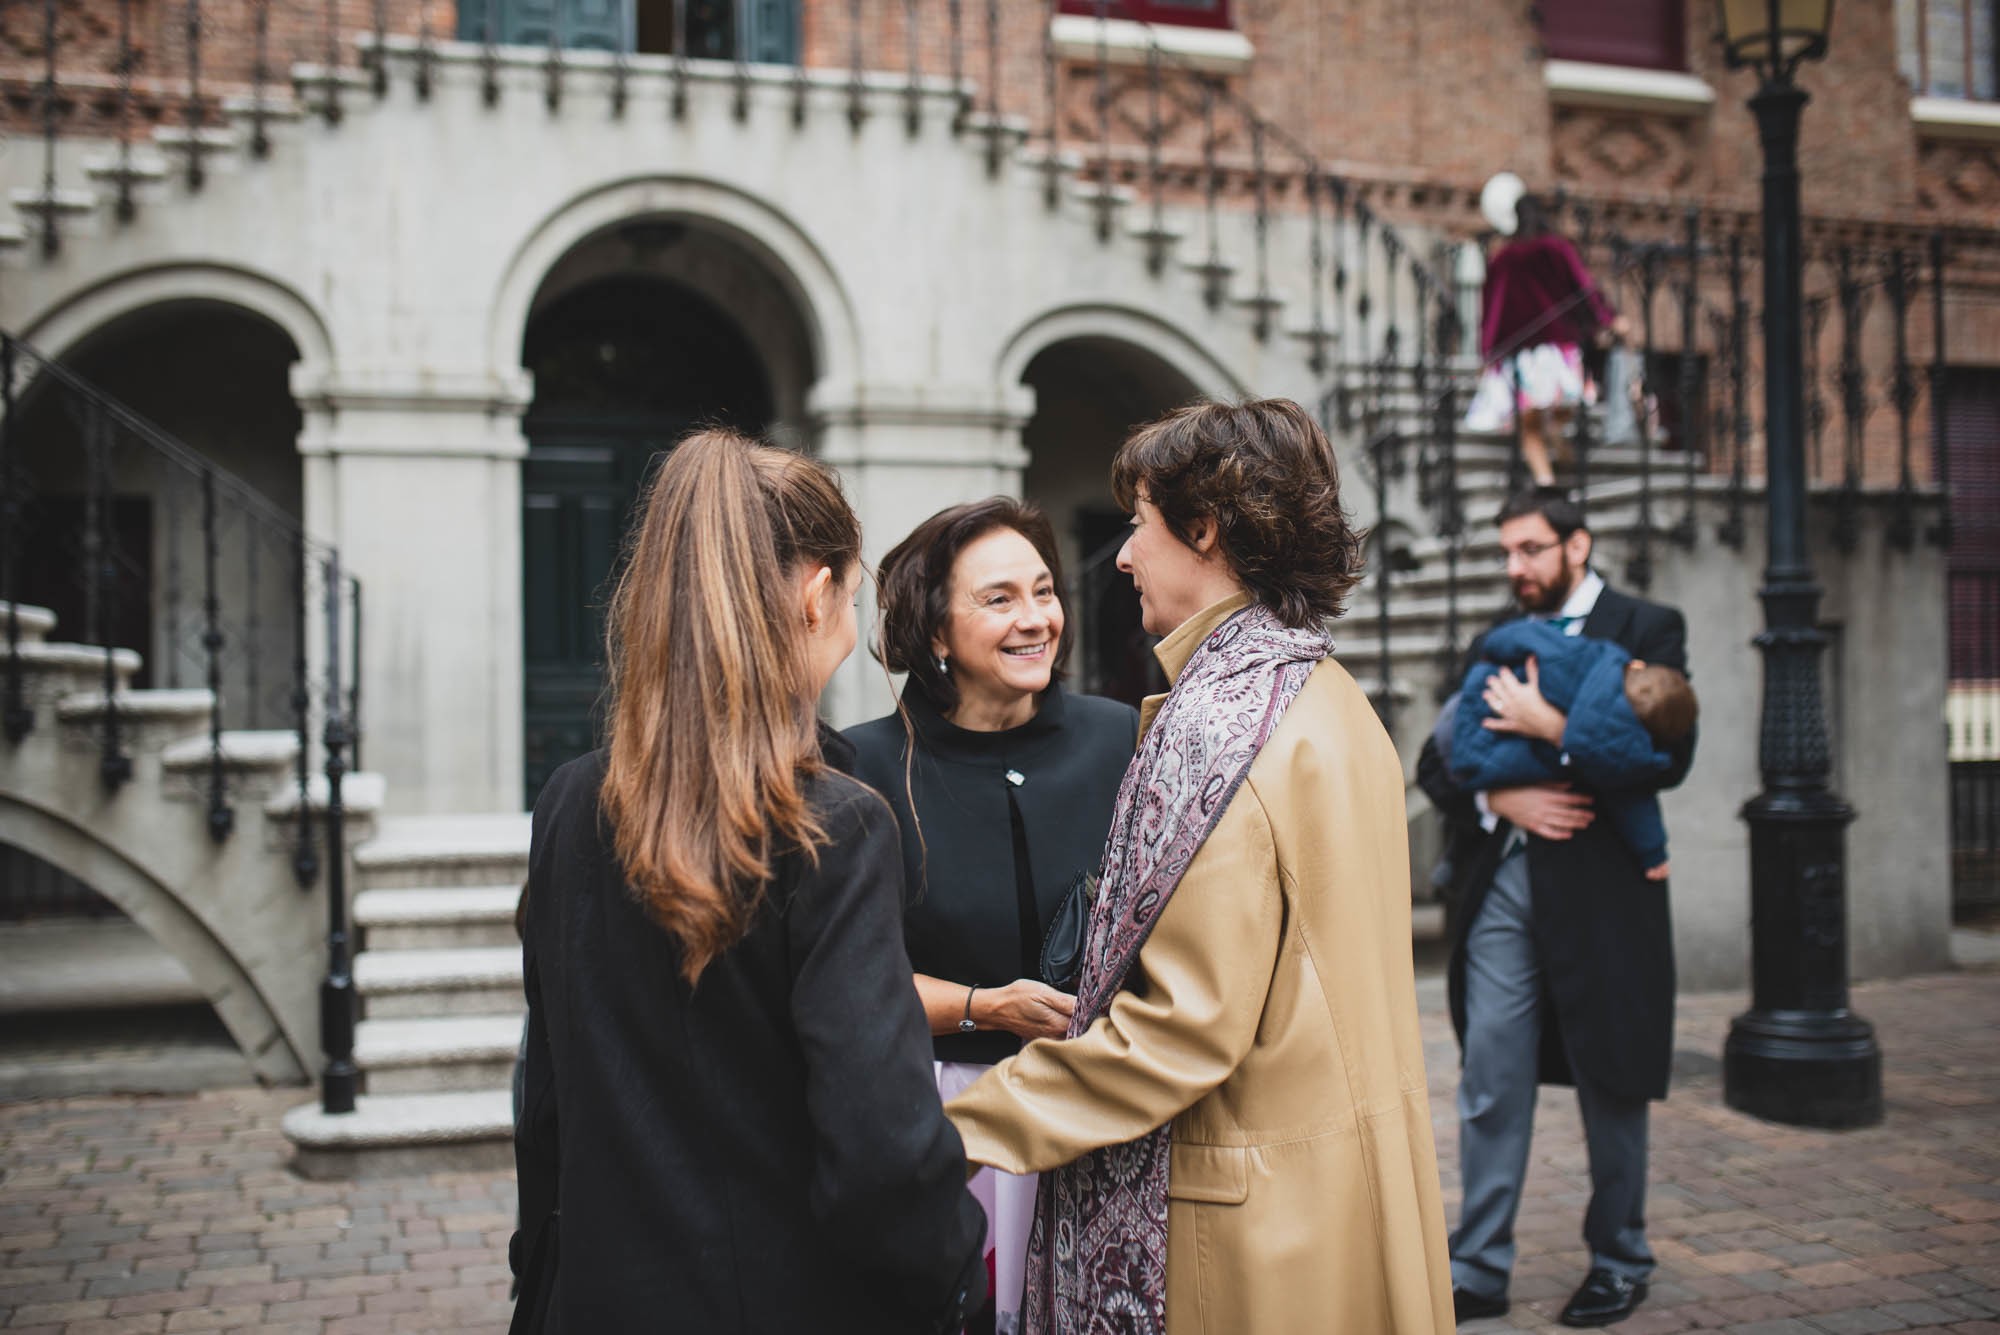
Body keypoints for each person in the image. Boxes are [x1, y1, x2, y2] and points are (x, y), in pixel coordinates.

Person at [945, 399, 1455, 1334]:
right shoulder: (1326, 691)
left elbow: (1182, 1031)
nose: (1126, 555)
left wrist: (962, 1125)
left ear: (1206, 528)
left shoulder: (1222, 728)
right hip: (1342, 1186)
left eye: (1138, 525)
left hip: (1252, 1228)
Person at [509, 430, 984, 1335]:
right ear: (816, 596)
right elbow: (882, 1155)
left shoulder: (570, 801)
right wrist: (962, 1285)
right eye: (850, 596)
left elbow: (544, 1102)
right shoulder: (832, 826)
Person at [845, 498, 1139, 1335]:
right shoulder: (862, 764)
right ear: (935, 633)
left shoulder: (1119, 735)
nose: (1036, 619)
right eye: (999, 598)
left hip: (1099, 1109)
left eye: (1044, 592)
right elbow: (842, 978)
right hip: (944, 1113)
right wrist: (984, 1005)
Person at [1416, 489, 1696, 1329]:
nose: (1516, 567)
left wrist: (1554, 725)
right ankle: (1478, 1265)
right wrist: (1507, 798)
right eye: (1508, 551)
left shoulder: (1650, 626)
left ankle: (1620, 1257)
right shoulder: (1491, 640)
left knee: (1613, 1079)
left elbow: (1668, 756)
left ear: (1577, 545)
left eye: (1532, 549)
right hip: (1503, 885)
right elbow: (1439, 763)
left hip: (1607, 896)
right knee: (1491, 1074)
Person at [1437, 620, 1699, 880]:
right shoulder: (1622, 757)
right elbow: (1634, 803)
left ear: (1636, 666)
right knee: (1505, 768)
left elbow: (1528, 636)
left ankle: (1453, 854)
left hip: (1473, 702)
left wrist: (1493, 647)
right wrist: (1654, 854)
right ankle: (1452, 857)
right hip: (1481, 753)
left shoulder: (1585, 656)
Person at [1463, 171, 1628, 487]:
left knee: (1530, 427)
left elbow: (1492, 312)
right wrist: (1607, 318)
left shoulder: (1504, 259)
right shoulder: (1556, 247)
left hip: (1522, 355)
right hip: (1557, 351)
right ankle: (1553, 451)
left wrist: (1488, 355)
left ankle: (1546, 482)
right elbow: (1583, 289)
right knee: (1559, 410)